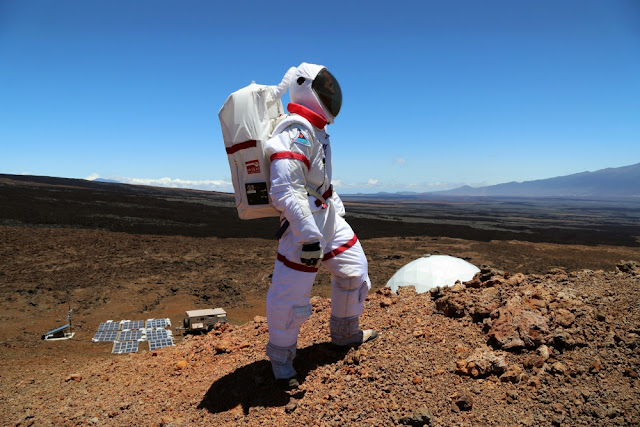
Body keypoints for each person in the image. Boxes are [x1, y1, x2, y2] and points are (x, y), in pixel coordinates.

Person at [264, 62, 378, 390]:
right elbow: (286, 188)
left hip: (325, 217)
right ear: (305, 88)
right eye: (325, 88)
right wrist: (307, 234)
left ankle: (345, 334)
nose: (330, 94)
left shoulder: (315, 131)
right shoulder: (296, 130)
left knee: (354, 270)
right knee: (291, 296)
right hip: (303, 228)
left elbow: (317, 180)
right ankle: (282, 362)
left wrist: (335, 207)